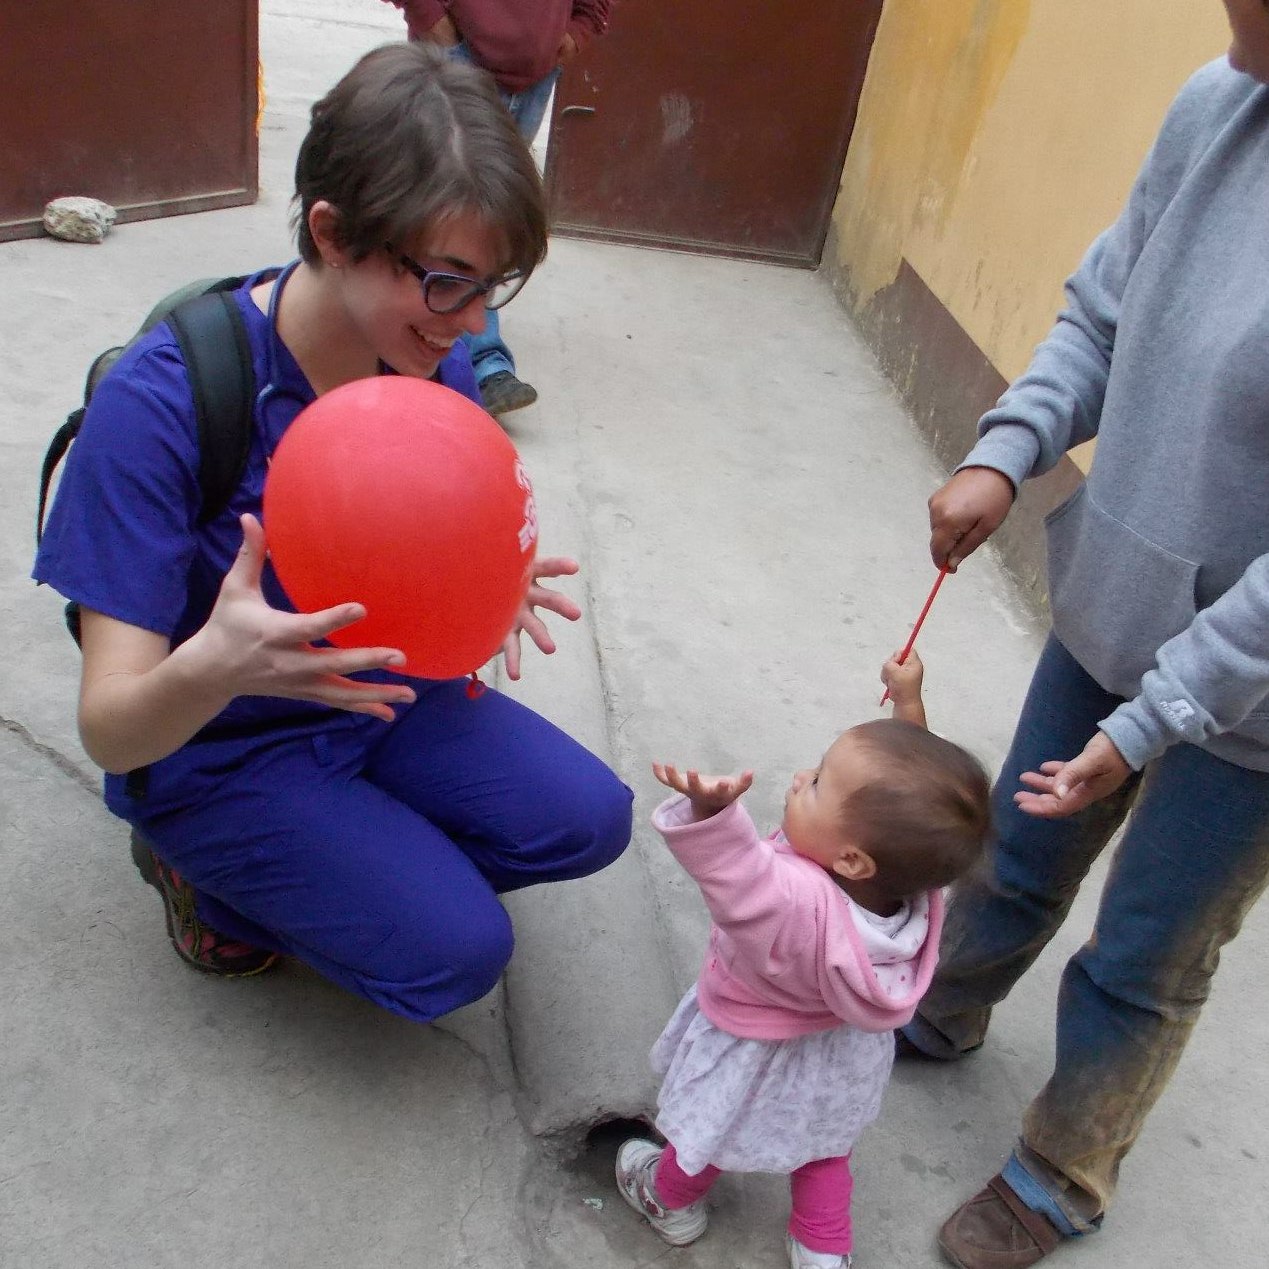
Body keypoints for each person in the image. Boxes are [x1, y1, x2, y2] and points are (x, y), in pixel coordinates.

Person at [31, 42, 632, 1020]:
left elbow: (424, 538)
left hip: (382, 695)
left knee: (590, 822)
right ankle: (205, 879)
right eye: (447, 280)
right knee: (457, 956)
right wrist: (215, 667)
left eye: (494, 285)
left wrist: (485, 580)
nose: (472, 323)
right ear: (334, 232)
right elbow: (111, 726)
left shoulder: (418, 353)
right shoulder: (165, 402)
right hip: (219, 745)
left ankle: (347, 854)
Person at [897, 11, 1269, 1267]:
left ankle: (1066, 1164)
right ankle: (938, 1008)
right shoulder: (1215, 107)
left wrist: (1156, 719)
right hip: (1119, 598)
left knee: (1146, 947)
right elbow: (1102, 318)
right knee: (1011, 850)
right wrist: (1007, 450)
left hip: (1254, 704)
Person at [615, 652, 991, 1269]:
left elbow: (736, 878)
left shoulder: (795, 905)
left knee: (707, 1130)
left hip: (754, 1047)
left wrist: (714, 815)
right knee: (824, 1147)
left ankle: (667, 1199)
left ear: (851, 861)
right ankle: (822, 1251)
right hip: (844, 1055)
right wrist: (908, 707)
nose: (798, 777)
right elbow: (919, 807)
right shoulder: (916, 893)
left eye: (816, 784)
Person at [381, 0, 612, 417]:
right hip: (456, 55)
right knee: (436, 212)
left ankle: (458, 357)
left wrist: (576, 31)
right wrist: (430, 16)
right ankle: (482, 363)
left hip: (535, 77)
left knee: (486, 224)